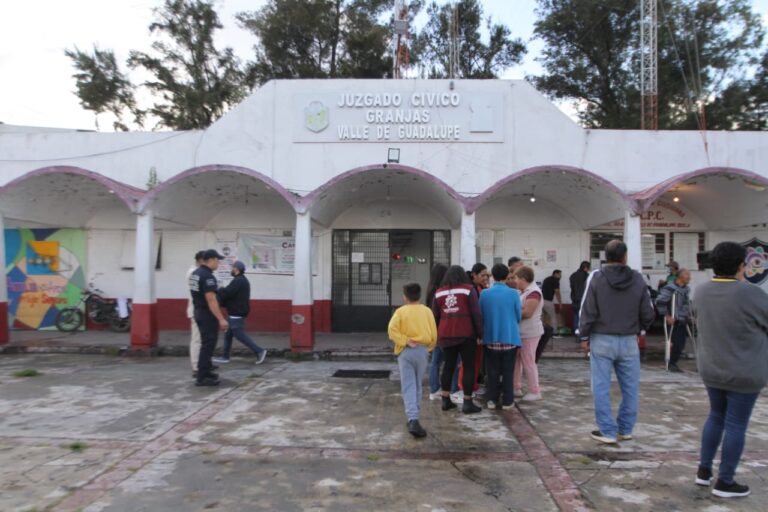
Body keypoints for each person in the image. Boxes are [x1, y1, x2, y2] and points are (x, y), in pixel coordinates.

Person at [693, 242, 768, 499]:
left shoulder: (701, 292)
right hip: (744, 371)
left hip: (712, 368)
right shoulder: (752, 294)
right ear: (741, 265)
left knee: (715, 416)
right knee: (736, 424)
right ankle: (725, 481)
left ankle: (704, 471)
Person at [579, 240, 655, 444]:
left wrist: (584, 336)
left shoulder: (596, 277)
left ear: (606, 256)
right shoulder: (638, 279)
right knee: (630, 387)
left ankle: (607, 430)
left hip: (602, 338)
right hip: (629, 339)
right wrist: (640, 328)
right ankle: (626, 428)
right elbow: (648, 310)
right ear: (625, 257)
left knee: (601, 386)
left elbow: (587, 309)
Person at [388, 282, 438, 438]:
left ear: (405, 296)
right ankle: (413, 417)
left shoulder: (400, 312)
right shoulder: (427, 311)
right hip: (422, 351)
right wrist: (427, 348)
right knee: (417, 384)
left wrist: (405, 341)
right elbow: (434, 335)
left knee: (408, 384)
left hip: (406, 351)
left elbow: (391, 331)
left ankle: (413, 418)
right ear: (419, 295)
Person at [432, 265, 484, 414]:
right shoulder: (468, 289)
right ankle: (467, 402)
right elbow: (476, 313)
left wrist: (435, 335)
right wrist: (480, 334)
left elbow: (434, 316)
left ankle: (445, 400)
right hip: (466, 334)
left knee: (448, 366)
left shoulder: (439, 292)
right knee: (468, 367)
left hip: (445, 334)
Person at [479, 264, 521, 410]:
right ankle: (508, 401)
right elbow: (518, 315)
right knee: (509, 371)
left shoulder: (484, 294)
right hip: (510, 338)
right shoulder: (514, 293)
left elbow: (481, 315)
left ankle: (492, 400)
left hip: (491, 338)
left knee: (492, 371)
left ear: (492, 276)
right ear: (506, 276)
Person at [213, 260, 267, 365]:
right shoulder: (241, 280)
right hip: (235, 312)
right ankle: (225, 356)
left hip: (236, 313)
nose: (231, 270)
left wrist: (218, 290)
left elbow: (228, 293)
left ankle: (259, 351)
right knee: (228, 334)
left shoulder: (238, 281)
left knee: (239, 334)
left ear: (236, 269)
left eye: (232, 268)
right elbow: (229, 293)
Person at [188, 249, 229, 386]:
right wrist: (221, 319)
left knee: (206, 343)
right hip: (206, 313)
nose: (218, 263)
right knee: (208, 345)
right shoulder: (208, 276)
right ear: (211, 260)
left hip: (198, 310)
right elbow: (211, 299)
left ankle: (204, 371)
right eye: (217, 260)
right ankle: (202, 376)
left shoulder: (196, 273)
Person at [426, 264, 459, 400]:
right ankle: (452, 388)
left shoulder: (430, 290)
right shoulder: (441, 291)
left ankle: (434, 389)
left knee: (435, 362)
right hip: (444, 330)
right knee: (452, 361)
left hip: (434, 331)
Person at [513, 266, 544, 401]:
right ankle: (516, 387)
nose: (515, 281)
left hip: (529, 333)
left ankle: (535, 390)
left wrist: (510, 313)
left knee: (528, 362)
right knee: (517, 362)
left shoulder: (534, 293)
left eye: (516, 278)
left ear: (523, 279)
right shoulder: (523, 292)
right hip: (521, 332)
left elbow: (527, 313)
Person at [656, 267, 691, 372]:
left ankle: (673, 363)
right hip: (673, 319)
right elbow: (660, 302)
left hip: (682, 318)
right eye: (687, 275)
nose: (690, 277)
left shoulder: (686, 289)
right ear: (680, 276)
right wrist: (666, 316)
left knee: (681, 343)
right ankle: (671, 363)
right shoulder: (669, 288)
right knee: (677, 343)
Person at [463, 263, 489, 396]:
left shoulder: (479, 287)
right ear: (474, 274)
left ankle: (473, 384)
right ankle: (465, 387)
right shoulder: (471, 289)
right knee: (469, 362)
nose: (485, 277)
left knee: (476, 360)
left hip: (478, 329)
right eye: (483, 275)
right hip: (472, 331)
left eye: (487, 275)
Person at [187, 251, 204, 378]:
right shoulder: (194, 273)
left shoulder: (197, 272)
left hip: (199, 310)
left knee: (203, 340)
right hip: (197, 310)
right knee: (197, 340)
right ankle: (196, 366)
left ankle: (203, 363)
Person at [569, 261, 591, 337]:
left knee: (576, 317)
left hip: (574, 299)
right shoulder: (587, 276)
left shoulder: (572, 275)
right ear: (585, 268)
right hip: (584, 299)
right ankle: (583, 335)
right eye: (588, 268)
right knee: (584, 317)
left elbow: (572, 287)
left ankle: (576, 334)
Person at [541, 270, 562, 337]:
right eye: (559, 274)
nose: (560, 276)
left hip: (540, 301)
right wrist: (560, 303)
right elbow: (557, 293)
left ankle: (541, 333)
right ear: (555, 274)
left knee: (541, 318)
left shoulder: (546, 279)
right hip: (548, 301)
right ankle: (555, 333)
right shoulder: (555, 281)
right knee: (553, 317)